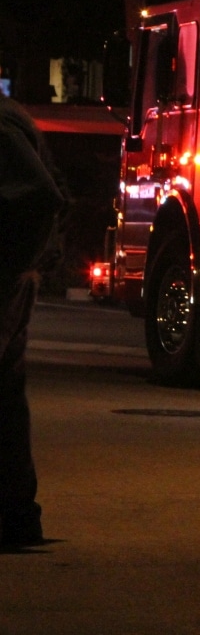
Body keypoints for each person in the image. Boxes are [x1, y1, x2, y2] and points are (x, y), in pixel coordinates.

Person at [0, 94, 64, 548]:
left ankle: (18, 515)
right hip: (13, 274)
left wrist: (12, 269)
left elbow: (42, 196)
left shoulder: (2, 128)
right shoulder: (11, 118)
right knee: (5, 396)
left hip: (5, 276)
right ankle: (18, 516)